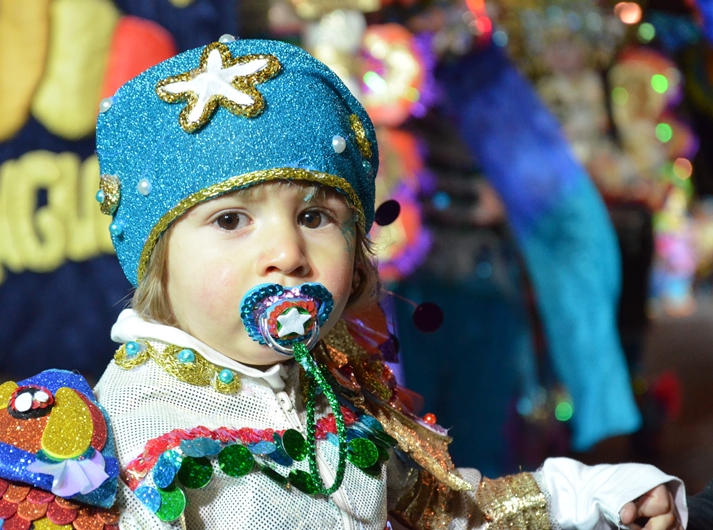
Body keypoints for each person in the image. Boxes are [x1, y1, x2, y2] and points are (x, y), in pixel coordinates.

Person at [89, 37, 687, 529]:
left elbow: (440, 509)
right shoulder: (138, 432)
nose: (287, 253)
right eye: (230, 220)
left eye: (315, 217)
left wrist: (586, 496)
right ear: (155, 261)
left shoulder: (331, 389)